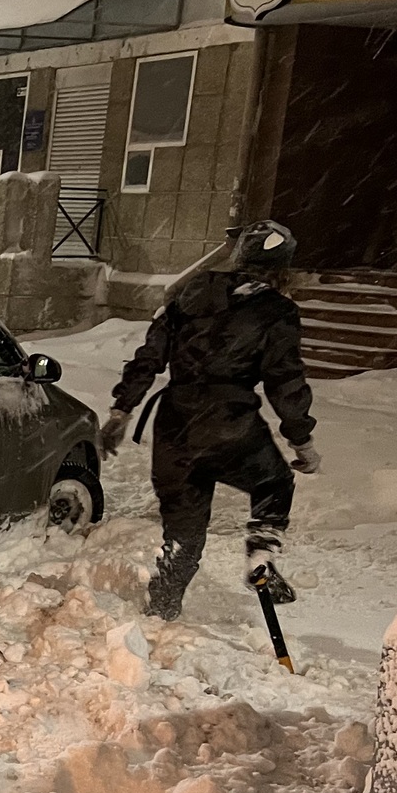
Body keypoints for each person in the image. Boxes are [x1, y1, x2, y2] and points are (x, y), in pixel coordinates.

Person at [99, 220, 319, 620]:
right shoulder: (277, 311)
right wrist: (301, 439)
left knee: (183, 532)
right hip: (230, 423)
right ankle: (261, 557)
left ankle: (160, 612)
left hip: (175, 426)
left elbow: (149, 356)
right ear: (281, 266)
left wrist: (122, 410)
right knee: (274, 482)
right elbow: (284, 379)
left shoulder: (190, 292)